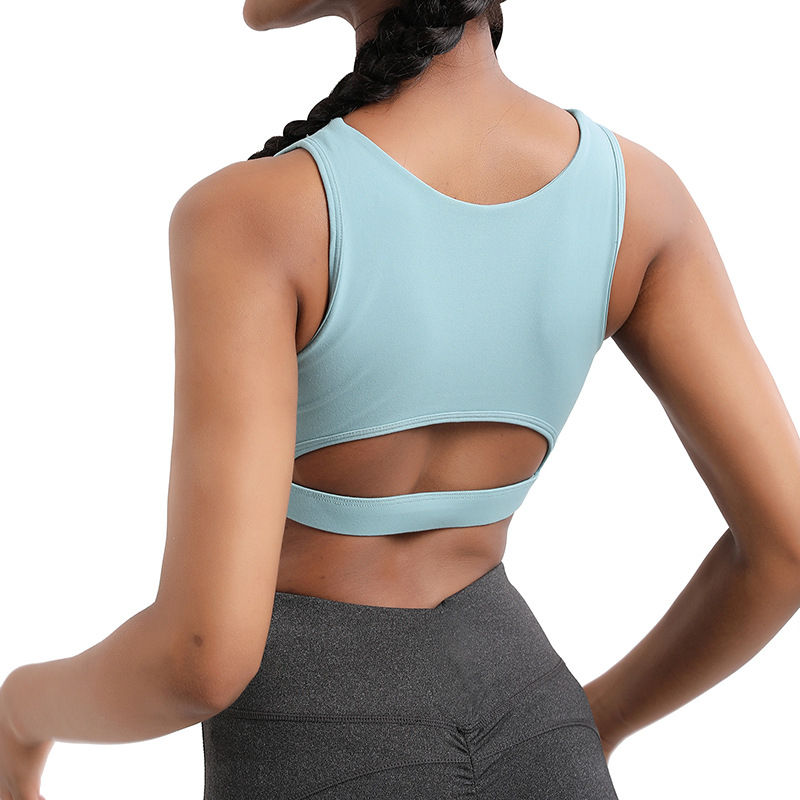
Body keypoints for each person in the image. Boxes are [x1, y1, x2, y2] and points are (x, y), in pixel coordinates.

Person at [2, 1, 800, 798]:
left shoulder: (256, 215)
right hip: (541, 731)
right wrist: (594, 723)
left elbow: (202, 657)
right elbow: (787, 549)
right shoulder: (639, 198)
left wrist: (21, 713)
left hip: (314, 746)